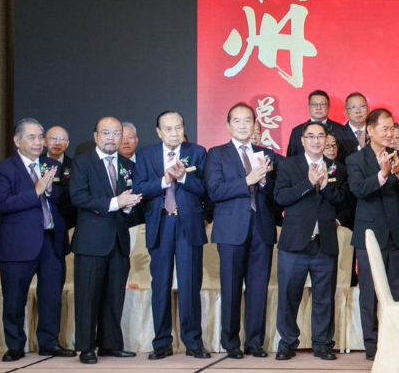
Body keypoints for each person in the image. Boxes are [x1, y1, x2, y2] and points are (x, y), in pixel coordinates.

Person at [0, 118, 73, 361]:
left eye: (41, 137)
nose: (39, 142)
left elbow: (64, 198)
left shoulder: (52, 165)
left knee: (51, 297)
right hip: (18, 245)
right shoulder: (3, 168)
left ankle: (49, 343)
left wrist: (50, 190)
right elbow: (3, 203)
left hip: (51, 241)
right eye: (32, 137)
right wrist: (36, 190)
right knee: (15, 299)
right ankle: (15, 345)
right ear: (17, 140)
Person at [204, 103, 281, 360]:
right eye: (237, 121)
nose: (242, 125)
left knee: (259, 287)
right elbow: (214, 191)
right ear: (228, 125)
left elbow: (277, 193)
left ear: (255, 125)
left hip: (262, 228)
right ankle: (231, 342)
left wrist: (264, 183)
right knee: (231, 287)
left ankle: (255, 342)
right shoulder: (216, 154)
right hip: (230, 229)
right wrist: (246, 181)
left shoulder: (266, 153)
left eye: (247, 121)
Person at [132, 111, 210, 360]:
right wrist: (165, 180)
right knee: (161, 285)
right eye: (168, 129)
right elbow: (138, 189)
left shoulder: (198, 152)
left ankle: (193, 341)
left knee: (189, 285)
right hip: (160, 223)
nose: (174, 133)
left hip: (188, 225)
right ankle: (162, 342)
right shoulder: (145, 155)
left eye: (178, 128)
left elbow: (206, 189)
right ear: (158, 132)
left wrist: (184, 176)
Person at [70, 117, 143, 363]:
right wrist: (115, 203)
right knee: (88, 296)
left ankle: (110, 345)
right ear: (95, 136)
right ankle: (86, 347)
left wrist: (128, 207)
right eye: (106, 133)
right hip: (91, 240)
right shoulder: (82, 162)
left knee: (114, 296)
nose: (111, 137)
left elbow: (132, 200)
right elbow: (78, 197)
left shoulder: (127, 164)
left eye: (116, 133)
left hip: (119, 239)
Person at [347, 108, 399, 360]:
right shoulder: (355, 160)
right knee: (369, 293)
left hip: (398, 233)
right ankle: (372, 344)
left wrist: (398, 171)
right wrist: (382, 174)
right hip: (369, 235)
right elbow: (358, 189)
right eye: (385, 129)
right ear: (370, 130)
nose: (390, 133)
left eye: (392, 129)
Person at [273, 122, 346, 361]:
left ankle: (323, 344)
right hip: (294, 244)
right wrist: (309, 182)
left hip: (324, 243)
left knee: (324, 297)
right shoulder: (288, 164)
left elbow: (342, 201)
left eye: (320, 136)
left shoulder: (336, 167)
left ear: (327, 140)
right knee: (288, 296)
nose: (316, 141)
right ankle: (287, 344)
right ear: (302, 140)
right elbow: (281, 197)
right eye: (310, 136)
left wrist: (324, 184)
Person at [287, 90, 342, 157]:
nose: (318, 108)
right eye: (314, 104)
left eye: (323, 104)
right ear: (308, 107)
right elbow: (291, 160)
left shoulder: (341, 130)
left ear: (329, 107)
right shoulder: (297, 131)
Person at [333, 92, 371, 160]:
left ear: (368, 110)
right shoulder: (337, 135)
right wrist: (360, 148)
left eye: (362, 106)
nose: (358, 111)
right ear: (346, 112)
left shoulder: (375, 132)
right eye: (353, 107)